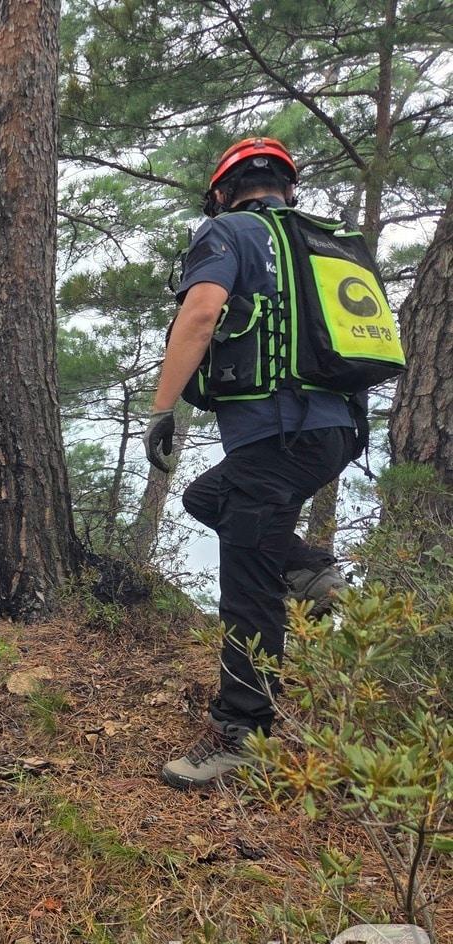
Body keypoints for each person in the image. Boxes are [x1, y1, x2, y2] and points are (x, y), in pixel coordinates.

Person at [146, 138, 368, 790]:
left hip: (277, 434)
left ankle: (241, 733)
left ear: (221, 191)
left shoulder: (230, 231)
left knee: (246, 587)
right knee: (206, 500)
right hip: (337, 432)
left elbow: (203, 310)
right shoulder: (328, 242)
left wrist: (163, 410)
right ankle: (310, 572)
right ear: (287, 188)